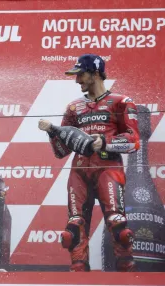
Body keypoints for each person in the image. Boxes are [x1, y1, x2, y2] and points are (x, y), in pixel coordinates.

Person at [38, 54, 139, 272]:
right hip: (79, 171)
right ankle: (78, 276)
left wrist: (104, 142)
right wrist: (52, 133)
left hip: (108, 169)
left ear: (95, 74)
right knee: (73, 228)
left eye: (81, 75)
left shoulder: (122, 102)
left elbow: (134, 142)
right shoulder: (73, 108)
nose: (77, 81)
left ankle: (127, 277)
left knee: (118, 225)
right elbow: (61, 152)